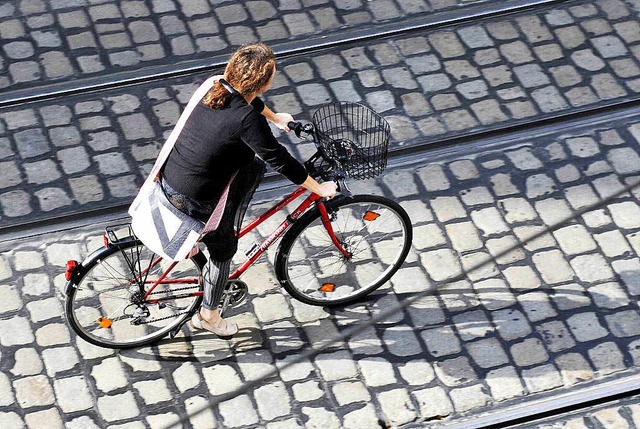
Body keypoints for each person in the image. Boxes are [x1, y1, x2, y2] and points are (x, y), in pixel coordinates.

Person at [159, 43, 337, 338]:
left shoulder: (215, 86)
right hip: (193, 198)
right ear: (264, 82)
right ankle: (209, 316)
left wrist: (275, 117)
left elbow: (248, 101)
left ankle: (209, 241)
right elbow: (278, 158)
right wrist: (317, 187)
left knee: (251, 166)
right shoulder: (246, 121)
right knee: (223, 249)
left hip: (172, 177)